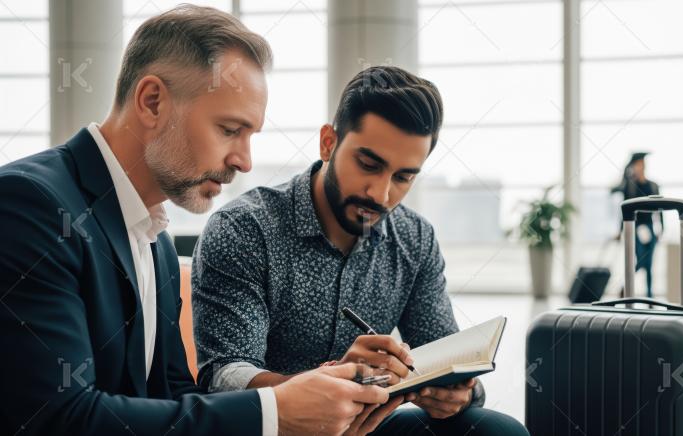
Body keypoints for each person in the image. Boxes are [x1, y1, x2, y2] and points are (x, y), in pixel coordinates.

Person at [0, 6, 395, 435]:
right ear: (152, 102)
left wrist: (308, 392)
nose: (244, 161)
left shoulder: (157, 242)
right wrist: (275, 413)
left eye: (250, 136)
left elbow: (173, 397)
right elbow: (58, 418)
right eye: (229, 130)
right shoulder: (30, 205)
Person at [192, 65, 529, 436]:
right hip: (276, 427)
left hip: (366, 426)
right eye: (369, 165)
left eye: (403, 177)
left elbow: (448, 359)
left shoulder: (414, 239)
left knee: (498, 431)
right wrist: (328, 385)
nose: (381, 194)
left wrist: (460, 394)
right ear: (328, 143)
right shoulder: (245, 229)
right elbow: (225, 377)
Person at [612, 151, 663, 298]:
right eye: (637, 164)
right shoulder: (629, 186)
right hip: (634, 229)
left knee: (649, 265)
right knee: (641, 260)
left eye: (642, 164)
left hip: (650, 228)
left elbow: (659, 210)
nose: (640, 167)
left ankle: (649, 296)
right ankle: (626, 286)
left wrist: (661, 229)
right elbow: (624, 211)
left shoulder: (653, 186)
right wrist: (620, 231)